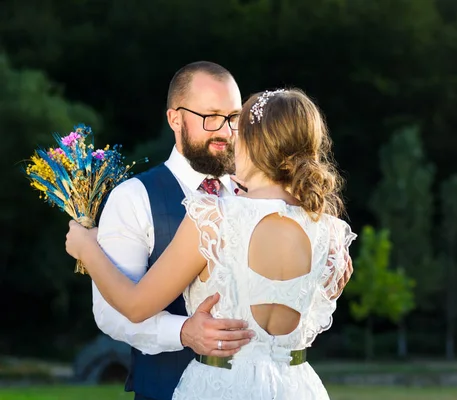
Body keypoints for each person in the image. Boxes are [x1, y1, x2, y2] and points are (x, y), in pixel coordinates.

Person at [66, 87, 356, 399]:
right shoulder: (332, 232)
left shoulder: (213, 217)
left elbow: (135, 306)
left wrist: (86, 249)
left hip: (222, 385)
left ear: (251, 143)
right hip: (298, 387)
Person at [91, 61, 256, 400]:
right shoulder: (133, 198)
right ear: (175, 119)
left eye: (234, 117)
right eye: (211, 116)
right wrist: (182, 331)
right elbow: (110, 313)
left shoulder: (255, 196)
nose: (226, 131)